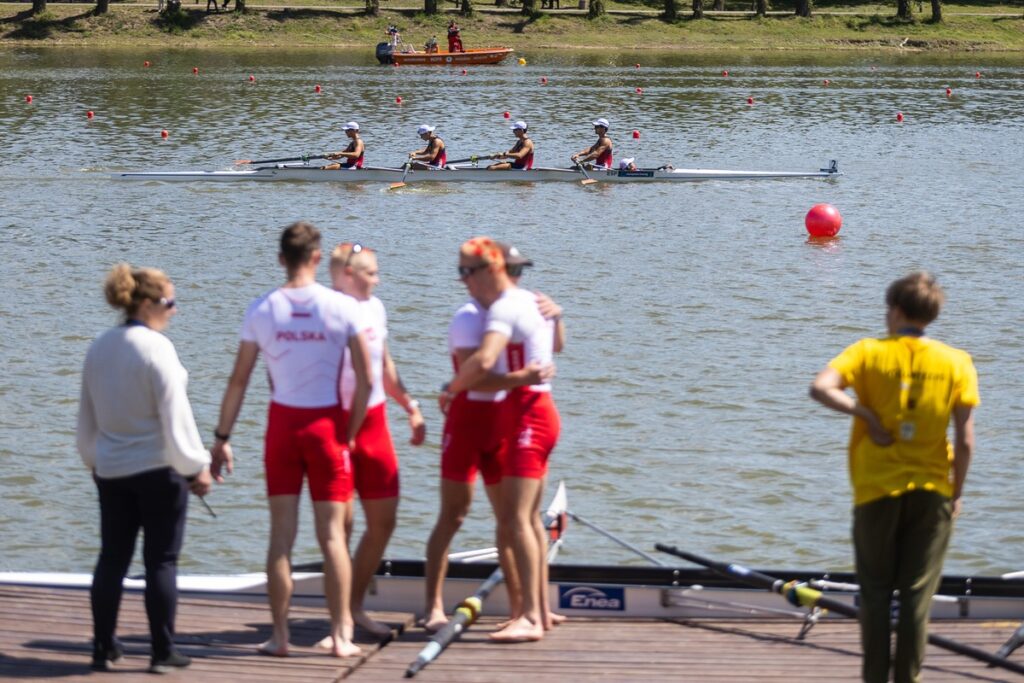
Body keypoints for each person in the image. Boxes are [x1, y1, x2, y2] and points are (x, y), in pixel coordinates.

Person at [210, 221, 372, 659]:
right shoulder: (341, 308)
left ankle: (279, 637)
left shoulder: (262, 309)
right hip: (326, 428)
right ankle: (341, 637)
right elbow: (365, 381)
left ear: (281, 259)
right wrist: (350, 433)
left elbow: (239, 380)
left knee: (280, 536)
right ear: (317, 258)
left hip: (282, 428)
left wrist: (221, 437)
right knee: (333, 537)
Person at [809, 272, 978, 683]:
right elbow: (966, 439)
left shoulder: (867, 353)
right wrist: (955, 494)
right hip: (932, 490)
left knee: (876, 593)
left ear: (897, 311)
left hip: (876, 490)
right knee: (917, 598)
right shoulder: (957, 362)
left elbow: (821, 388)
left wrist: (864, 414)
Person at [76, 264, 213, 675]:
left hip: (112, 471)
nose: (175, 310)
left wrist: (94, 461)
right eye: (170, 302)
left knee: (111, 558)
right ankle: (161, 652)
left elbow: (86, 419)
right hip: (159, 471)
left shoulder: (99, 346)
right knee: (161, 562)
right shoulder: (158, 349)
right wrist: (197, 467)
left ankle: (103, 648)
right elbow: (177, 420)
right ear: (148, 304)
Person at [422, 242, 562, 633]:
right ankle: (433, 606)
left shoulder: (517, 307)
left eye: (520, 272)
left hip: (506, 417)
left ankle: (525, 611)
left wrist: (559, 314)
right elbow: (478, 372)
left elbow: (544, 347)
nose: (518, 279)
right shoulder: (468, 317)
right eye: (462, 274)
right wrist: (455, 388)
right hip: (467, 419)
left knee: (510, 519)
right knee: (453, 515)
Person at [328, 242, 426, 638]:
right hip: (335, 423)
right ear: (348, 274)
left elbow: (383, 365)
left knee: (383, 520)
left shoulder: (376, 308)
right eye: (370, 273)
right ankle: (342, 620)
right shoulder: (328, 312)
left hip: (374, 421)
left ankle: (355, 606)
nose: (378, 279)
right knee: (342, 525)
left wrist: (411, 406)